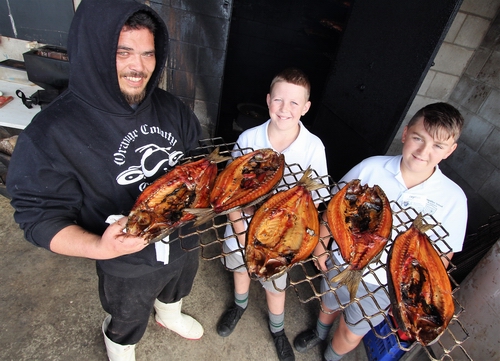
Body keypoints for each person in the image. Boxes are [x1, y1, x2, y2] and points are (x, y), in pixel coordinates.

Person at [7, 0, 205, 360]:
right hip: (126, 262)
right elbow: (38, 219)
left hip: (184, 240)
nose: (139, 67)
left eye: (148, 54)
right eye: (123, 52)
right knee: (128, 312)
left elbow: (196, 162)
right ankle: (120, 342)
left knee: (179, 282)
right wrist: (101, 249)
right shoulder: (52, 132)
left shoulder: (170, 107)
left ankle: (169, 313)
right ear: (95, 53)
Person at [293, 102, 468, 361]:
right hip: (341, 261)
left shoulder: (453, 198)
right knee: (328, 302)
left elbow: (441, 257)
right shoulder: (372, 167)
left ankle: (330, 356)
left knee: (352, 331)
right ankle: (319, 332)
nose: (423, 151)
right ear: (405, 133)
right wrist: (321, 247)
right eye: (419, 138)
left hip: (384, 286)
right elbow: (335, 209)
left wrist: (407, 297)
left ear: (450, 150)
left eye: (437, 146)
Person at [216, 67, 329, 361]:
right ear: (268, 101)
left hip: (282, 236)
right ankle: (239, 305)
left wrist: (311, 242)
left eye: (294, 103)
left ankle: (277, 329)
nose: (285, 109)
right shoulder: (250, 138)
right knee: (240, 268)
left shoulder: (313, 147)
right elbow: (230, 190)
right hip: (241, 224)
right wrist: (239, 227)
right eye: (279, 100)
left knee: (275, 284)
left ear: (305, 108)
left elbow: (315, 201)